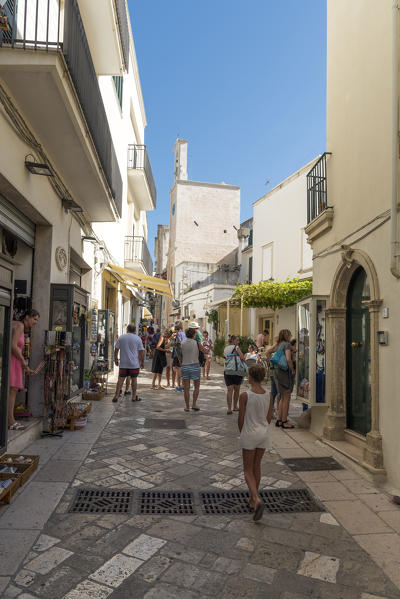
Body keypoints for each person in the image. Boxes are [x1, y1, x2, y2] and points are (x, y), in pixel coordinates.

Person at [238, 364, 273, 521]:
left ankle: (257, 499)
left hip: (250, 433)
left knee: (247, 470)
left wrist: (243, 432)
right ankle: (252, 499)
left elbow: (241, 418)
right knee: (256, 466)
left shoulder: (245, 395)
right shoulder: (269, 395)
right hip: (263, 433)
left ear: (250, 377)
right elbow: (269, 417)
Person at [8, 309, 40, 430]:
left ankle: (10, 419)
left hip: (15, 361)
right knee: (12, 391)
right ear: (27, 317)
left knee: (12, 390)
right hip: (13, 360)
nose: (36, 322)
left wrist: (25, 366)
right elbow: (13, 345)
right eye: (35, 319)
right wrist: (23, 361)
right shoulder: (20, 325)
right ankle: (10, 421)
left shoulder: (17, 324)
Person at [267, 329, 295, 429]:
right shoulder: (287, 345)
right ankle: (284, 421)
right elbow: (288, 359)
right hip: (283, 372)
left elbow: (268, 352)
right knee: (287, 396)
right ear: (287, 336)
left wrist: (272, 364)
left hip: (276, 372)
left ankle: (279, 420)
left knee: (282, 396)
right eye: (290, 335)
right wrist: (292, 369)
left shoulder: (277, 345)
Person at [112, 324, 145, 402]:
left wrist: (116, 359)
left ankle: (116, 396)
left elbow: (116, 349)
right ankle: (133, 397)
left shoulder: (121, 337)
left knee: (120, 380)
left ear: (127, 329)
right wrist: (142, 362)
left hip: (123, 363)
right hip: (134, 364)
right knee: (134, 380)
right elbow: (141, 352)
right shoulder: (138, 339)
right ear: (135, 330)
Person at [181, 328, 206, 411]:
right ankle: (194, 404)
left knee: (186, 388)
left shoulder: (182, 343)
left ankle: (187, 407)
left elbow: (179, 355)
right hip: (195, 366)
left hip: (185, 366)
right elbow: (205, 351)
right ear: (193, 335)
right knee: (197, 387)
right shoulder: (197, 343)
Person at [224, 335, 245, 414]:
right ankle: (235, 407)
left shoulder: (226, 348)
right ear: (233, 341)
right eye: (237, 340)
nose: (238, 342)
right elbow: (242, 357)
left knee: (229, 390)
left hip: (227, 370)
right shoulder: (236, 347)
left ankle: (229, 408)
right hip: (236, 371)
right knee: (237, 390)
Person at [172, 321, 186, 390]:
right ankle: (183, 384)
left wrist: (173, 343)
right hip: (183, 354)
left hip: (178, 354)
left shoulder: (178, 335)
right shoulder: (184, 334)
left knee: (177, 370)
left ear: (177, 329)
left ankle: (179, 385)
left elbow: (178, 343)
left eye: (175, 330)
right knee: (181, 370)